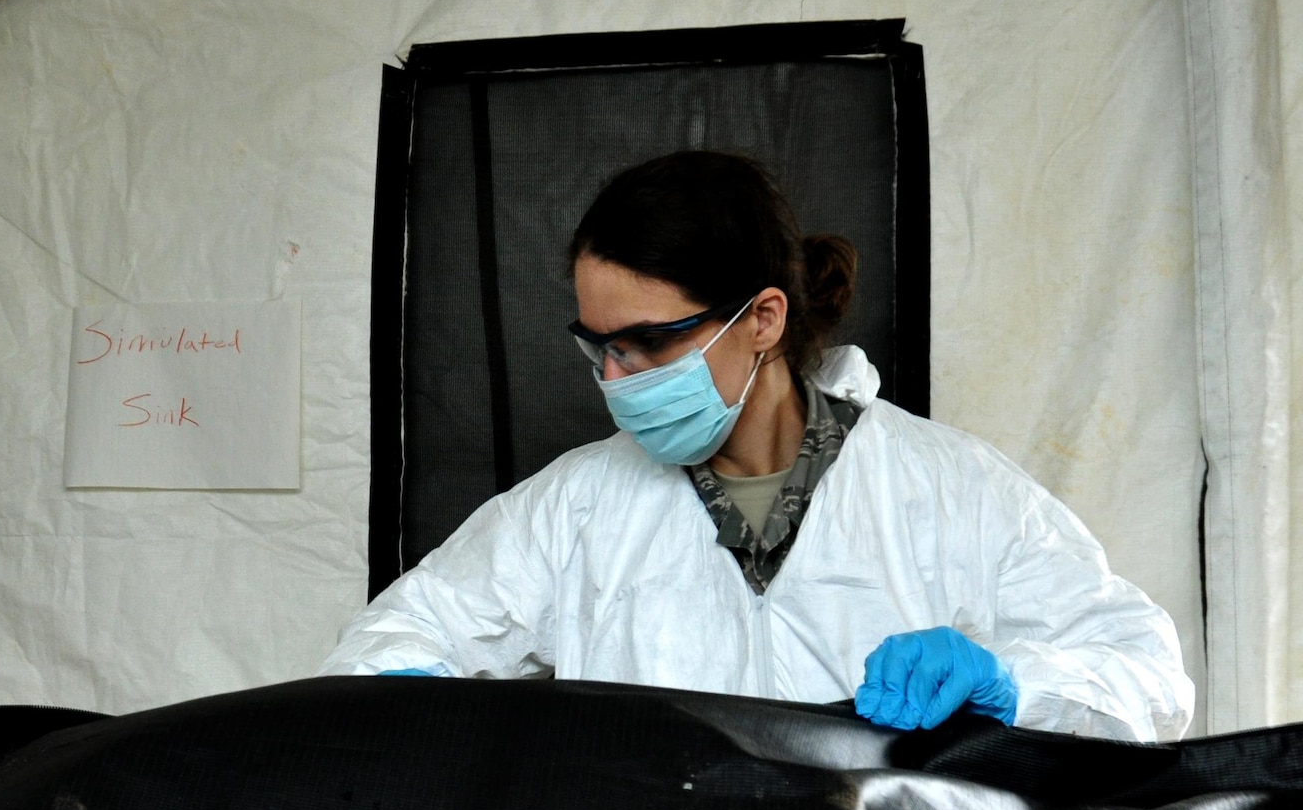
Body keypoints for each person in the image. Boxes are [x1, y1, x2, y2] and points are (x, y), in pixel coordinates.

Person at [319, 151, 1193, 742]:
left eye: (649, 343)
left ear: (763, 319)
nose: (617, 377)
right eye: (599, 346)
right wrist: (399, 696)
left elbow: (1146, 677)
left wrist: (1009, 681)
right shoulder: (574, 507)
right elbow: (396, 638)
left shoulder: (947, 489)